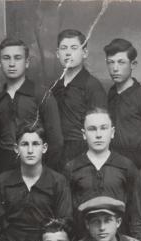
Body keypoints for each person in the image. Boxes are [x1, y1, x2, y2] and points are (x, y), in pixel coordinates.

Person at [0, 38, 63, 175]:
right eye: (6, 58)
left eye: (17, 58)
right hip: (4, 173)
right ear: (0, 63)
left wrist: (43, 173)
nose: (12, 63)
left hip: (37, 171)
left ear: (27, 62)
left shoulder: (42, 95)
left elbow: (56, 142)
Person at [63, 108, 138, 237]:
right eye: (92, 129)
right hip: (83, 240)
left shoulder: (126, 166)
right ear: (84, 134)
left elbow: (135, 210)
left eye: (103, 128)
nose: (98, 134)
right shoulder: (72, 168)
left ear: (112, 132)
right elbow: (66, 214)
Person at [52, 29, 107, 167]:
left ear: (84, 53)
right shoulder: (55, 86)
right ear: (58, 54)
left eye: (74, 48)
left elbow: (99, 129)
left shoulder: (93, 86)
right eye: (64, 48)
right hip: (56, 153)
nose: (68, 53)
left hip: (82, 154)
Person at [104, 38, 141, 168]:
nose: (115, 68)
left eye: (121, 62)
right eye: (110, 62)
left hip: (138, 164)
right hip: (111, 163)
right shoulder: (110, 94)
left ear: (133, 64)